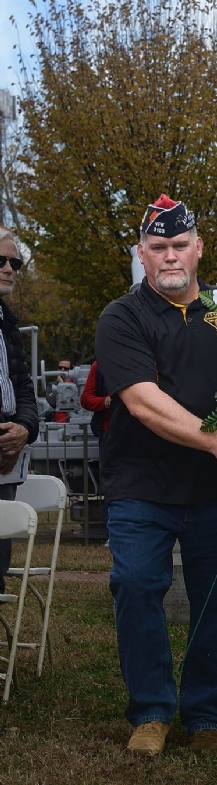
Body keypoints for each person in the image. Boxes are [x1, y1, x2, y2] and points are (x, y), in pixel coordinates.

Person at [95, 194, 217, 757]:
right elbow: (142, 402)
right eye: (158, 247)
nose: (170, 257)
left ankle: (207, 715)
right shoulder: (122, 316)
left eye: (180, 245)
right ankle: (151, 710)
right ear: (141, 254)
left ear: (200, 249)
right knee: (136, 585)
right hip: (142, 484)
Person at [0, 229, 40, 594]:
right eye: (1, 261)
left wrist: (25, 428)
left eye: (15, 262)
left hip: (7, 456)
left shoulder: (6, 320)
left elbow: (24, 387)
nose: (10, 269)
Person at [80, 360, 111, 541]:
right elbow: (86, 399)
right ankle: (112, 534)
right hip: (110, 434)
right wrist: (105, 402)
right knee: (112, 486)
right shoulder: (99, 366)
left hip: (138, 433)